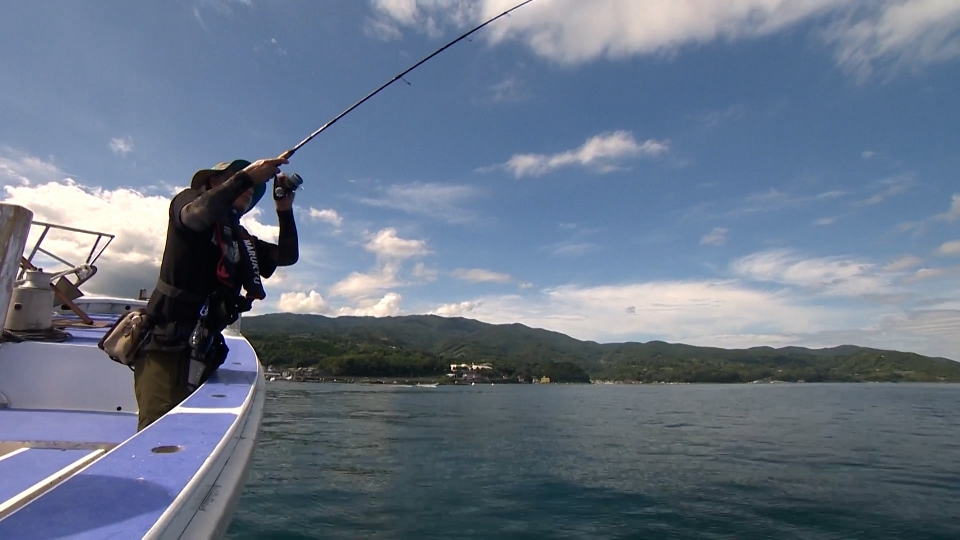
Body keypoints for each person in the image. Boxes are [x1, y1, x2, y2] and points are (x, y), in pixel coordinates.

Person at [135, 157, 298, 431]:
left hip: (205, 351)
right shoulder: (187, 203)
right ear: (212, 181)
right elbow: (196, 215)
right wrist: (247, 177)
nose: (248, 189)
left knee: (195, 435)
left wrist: (284, 209)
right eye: (237, 178)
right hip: (165, 347)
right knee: (158, 433)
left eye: (250, 186)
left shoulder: (240, 238)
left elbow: (287, 256)